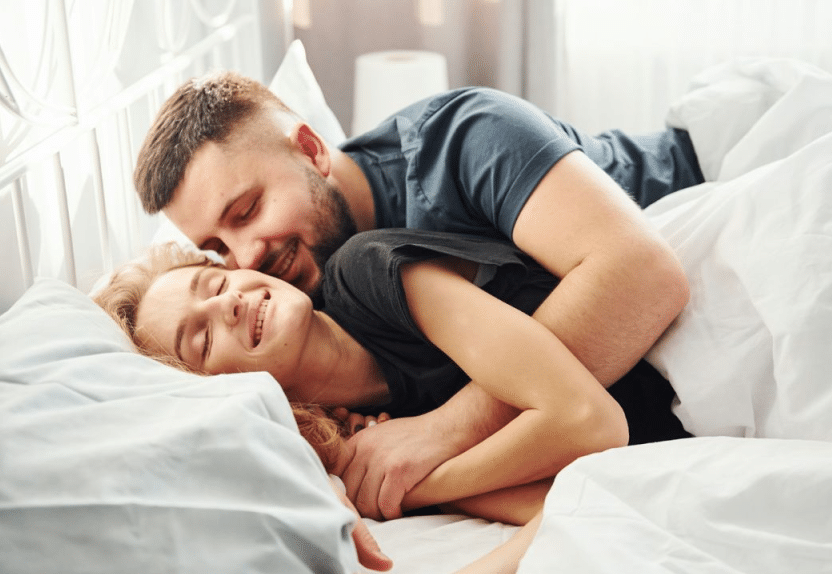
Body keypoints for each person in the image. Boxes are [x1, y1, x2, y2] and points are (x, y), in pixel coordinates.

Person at [133, 71, 703, 519]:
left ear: (311, 150)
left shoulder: (464, 137)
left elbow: (645, 277)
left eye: (247, 211)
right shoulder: (295, 306)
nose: (246, 257)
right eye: (217, 248)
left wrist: (446, 429)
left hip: (694, 190)